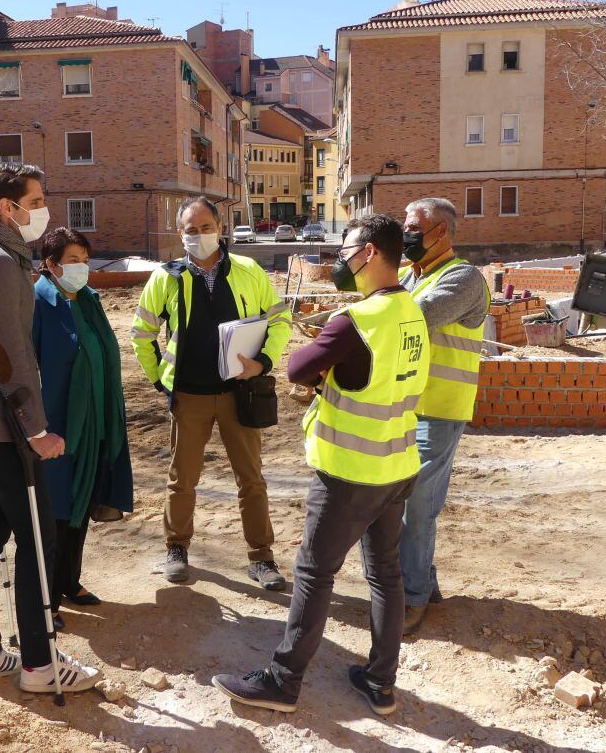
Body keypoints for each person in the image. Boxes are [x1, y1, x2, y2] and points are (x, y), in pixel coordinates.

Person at [213, 214, 429, 716]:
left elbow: (296, 367)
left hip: (350, 472)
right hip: (397, 465)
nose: (341, 260)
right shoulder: (411, 311)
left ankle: (282, 682)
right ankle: (381, 682)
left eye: (347, 250)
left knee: (313, 574)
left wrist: (325, 367)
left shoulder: (356, 320)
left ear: (370, 252)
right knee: (386, 575)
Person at [0, 163, 102, 695]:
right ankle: (39, 664)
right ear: (7, 208)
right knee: (36, 536)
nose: (43, 210)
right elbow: (6, 354)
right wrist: (36, 429)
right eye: (35, 202)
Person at [130, 196, 292, 590]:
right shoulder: (166, 278)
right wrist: (160, 380)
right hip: (190, 396)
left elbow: (280, 319)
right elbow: (142, 333)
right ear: (180, 233)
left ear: (220, 228)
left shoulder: (249, 271)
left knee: (251, 480)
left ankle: (261, 557)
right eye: (191, 230)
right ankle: (176, 547)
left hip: (240, 393)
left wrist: (263, 363)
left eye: (206, 228)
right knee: (182, 479)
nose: (199, 235)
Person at [32, 227, 134, 631]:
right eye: (72, 260)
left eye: (85, 259)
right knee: (57, 511)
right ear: (51, 264)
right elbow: (29, 368)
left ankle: (69, 582)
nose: (81, 267)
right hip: (57, 426)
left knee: (82, 504)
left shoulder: (89, 300)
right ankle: (46, 599)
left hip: (95, 422)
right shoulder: (38, 302)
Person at [398, 197, 490, 635]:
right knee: (409, 502)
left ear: (440, 232)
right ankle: (425, 582)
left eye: (413, 227)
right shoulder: (409, 276)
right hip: (404, 407)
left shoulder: (463, 278)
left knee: (416, 507)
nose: (406, 233)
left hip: (438, 409)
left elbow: (412, 318)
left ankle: (412, 598)